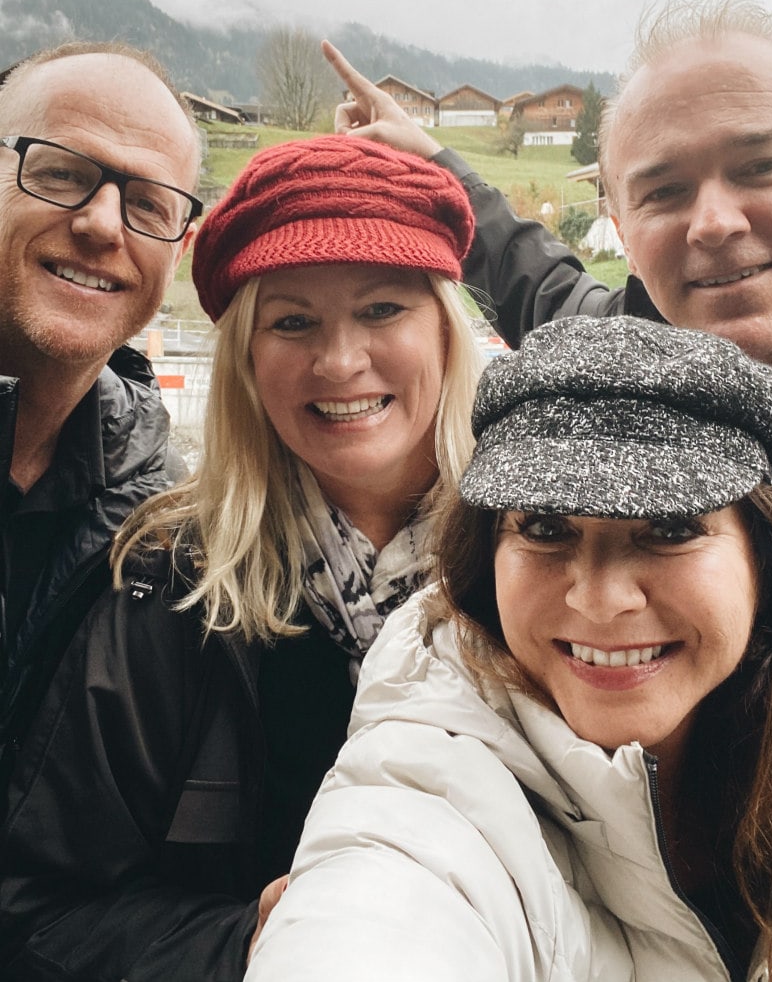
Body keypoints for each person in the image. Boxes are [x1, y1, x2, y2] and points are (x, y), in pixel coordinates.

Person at [0, 135, 484, 981]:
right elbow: (39, 911)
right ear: (247, 365)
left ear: (445, 329)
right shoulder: (164, 581)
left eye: (382, 309)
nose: (339, 361)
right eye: (292, 321)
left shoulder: (545, 560)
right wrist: (246, 944)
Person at [248, 314, 772, 982]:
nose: (599, 600)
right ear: (485, 556)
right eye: (545, 528)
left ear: (765, 562)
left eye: (671, 528)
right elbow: (385, 909)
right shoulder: (433, 783)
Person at [323, 0, 772, 402]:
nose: (715, 223)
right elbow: (533, 285)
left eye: (763, 167)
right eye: (665, 191)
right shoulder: (624, 355)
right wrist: (429, 158)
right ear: (625, 241)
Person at [0, 42, 201, 810]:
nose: (101, 223)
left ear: (177, 252)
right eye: (60, 172)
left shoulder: (166, 530)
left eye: (149, 202)